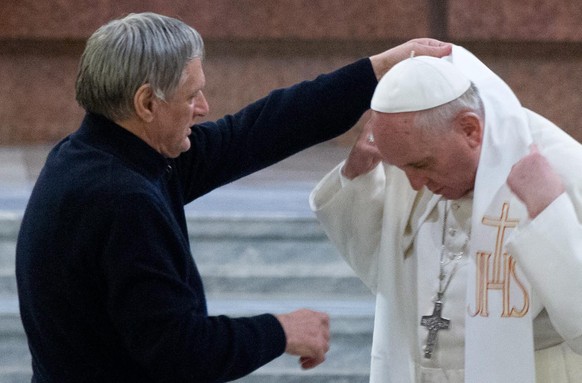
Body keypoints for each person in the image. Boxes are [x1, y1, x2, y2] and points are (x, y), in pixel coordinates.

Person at [14, 12, 452, 383]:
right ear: (147, 103)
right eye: (191, 95)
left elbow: (255, 132)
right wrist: (281, 331)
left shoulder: (97, 154)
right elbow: (178, 350)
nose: (203, 107)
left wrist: (375, 70)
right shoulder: (122, 199)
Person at [310, 45, 582, 382]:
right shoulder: (411, 159)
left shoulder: (565, 168)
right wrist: (358, 181)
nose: (414, 183)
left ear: (470, 130)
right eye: (401, 168)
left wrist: (549, 217)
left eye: (422, 166)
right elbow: (389, 282)